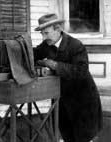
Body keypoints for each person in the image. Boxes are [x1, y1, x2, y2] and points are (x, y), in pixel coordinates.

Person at [33, 13, 103, 142]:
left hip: (83, 101)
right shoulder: (46, 45)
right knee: (67, 136)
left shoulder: (76, 46)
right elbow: (33, 54)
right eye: (42, 33)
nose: (43, 37)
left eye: (46, 33)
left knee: (84, 138)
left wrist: (54, 65)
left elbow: (81, 71)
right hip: (63, 101)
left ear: (58, 29)